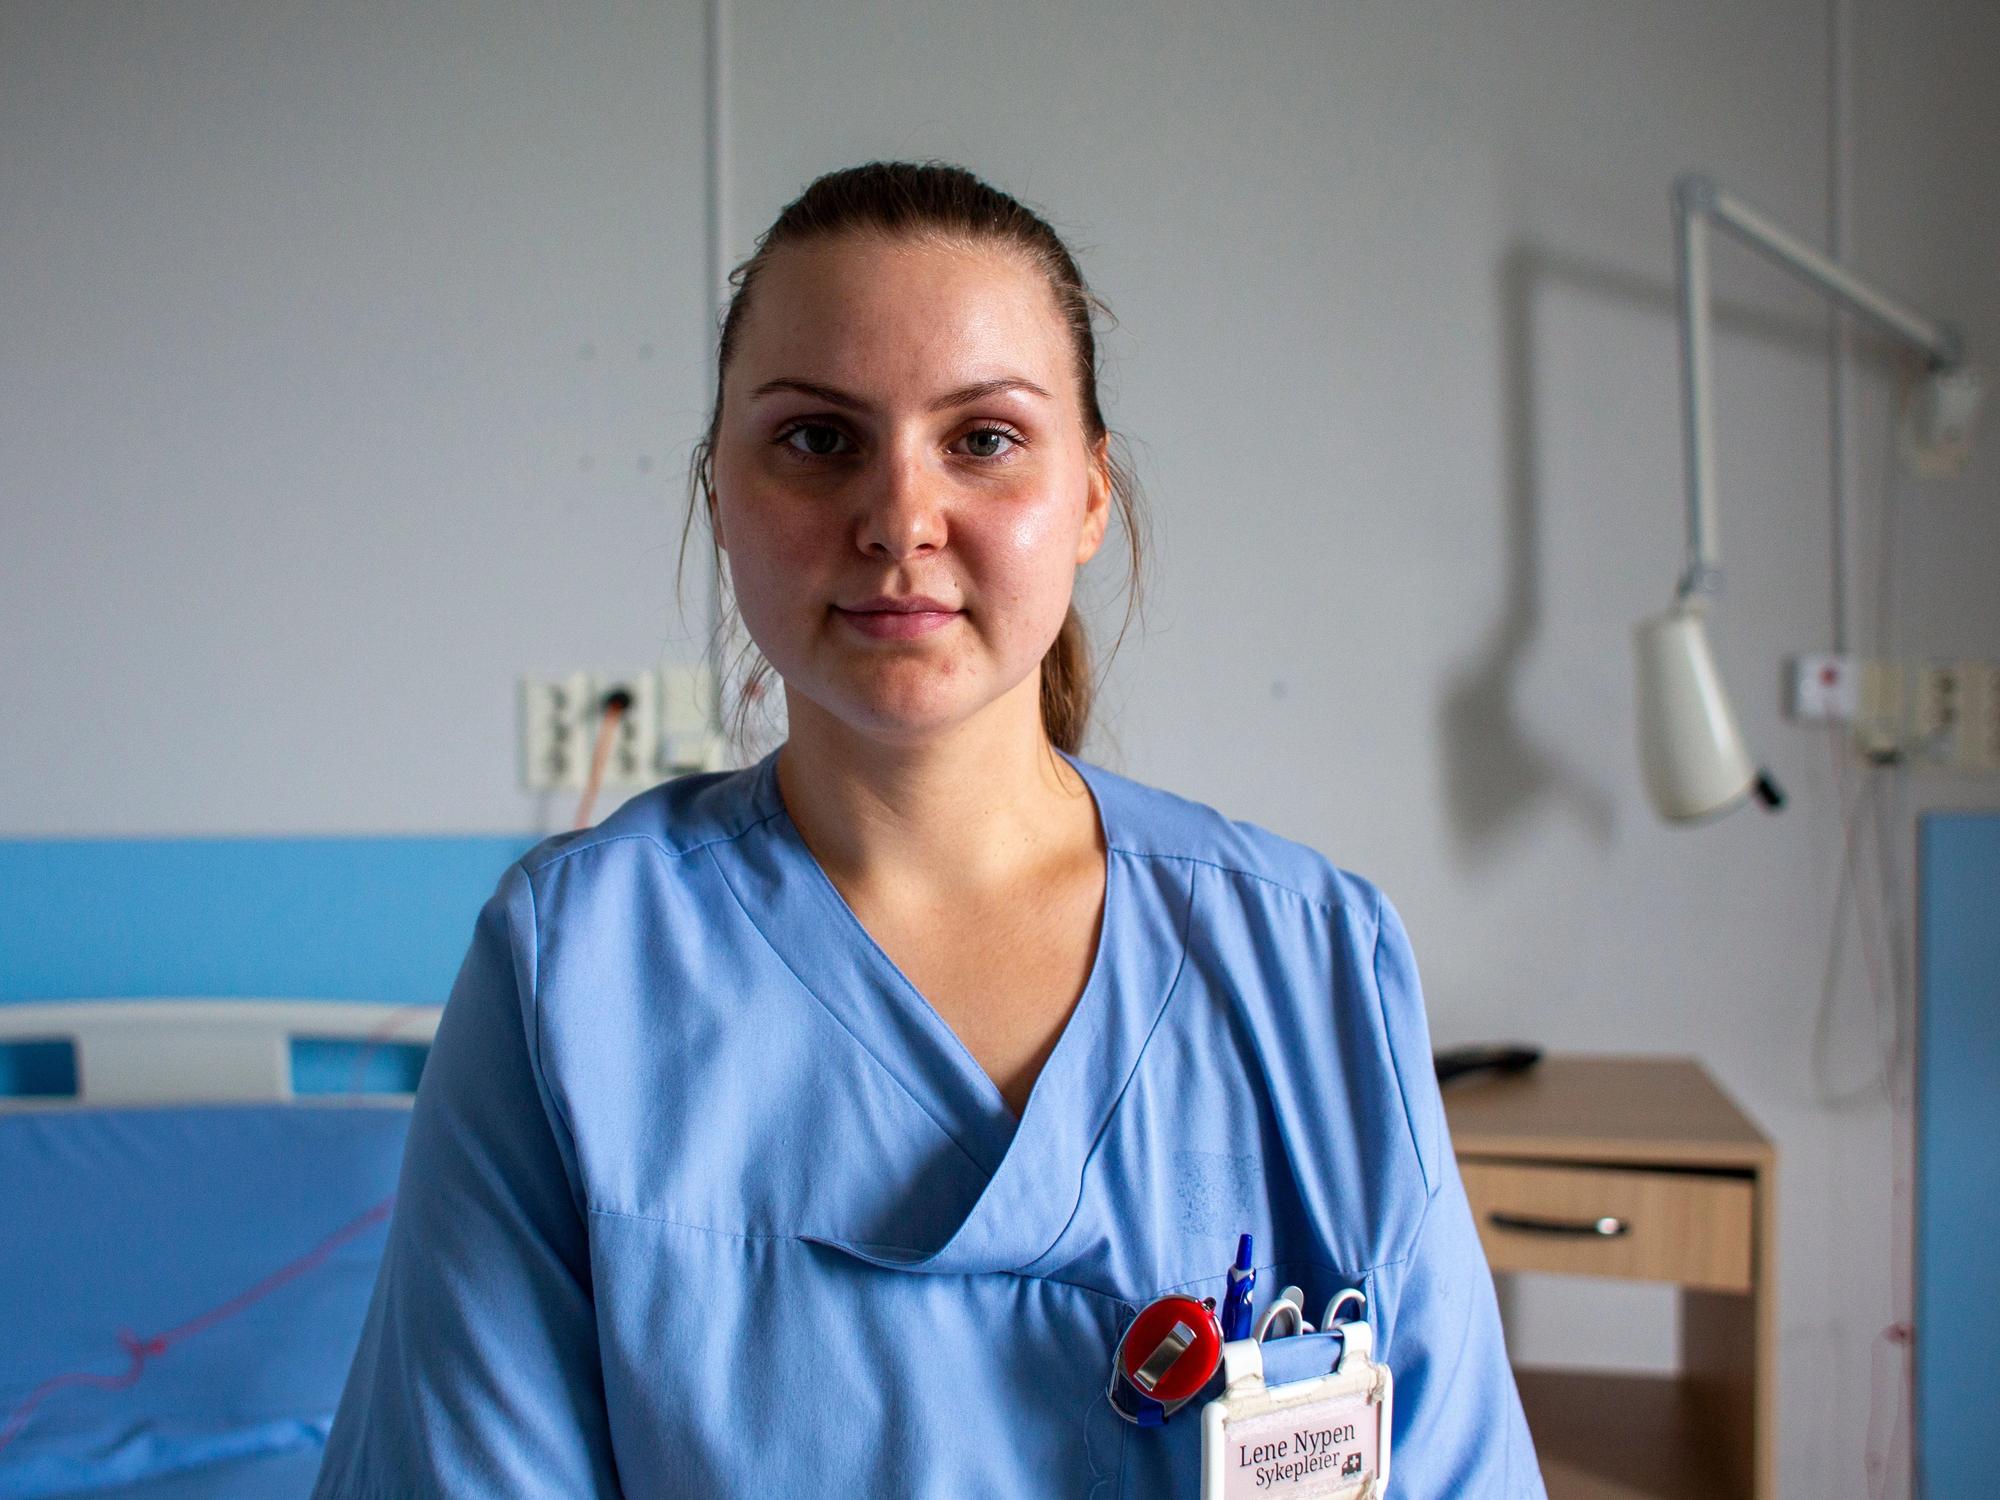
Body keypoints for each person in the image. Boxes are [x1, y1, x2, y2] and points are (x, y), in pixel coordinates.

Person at [312, 160, 1543, 1498]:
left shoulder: (1314, 960)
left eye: (985, 439)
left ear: (1090, 495)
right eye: (817, 439)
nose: (901, 520)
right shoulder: (575, 971)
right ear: (719, 496)